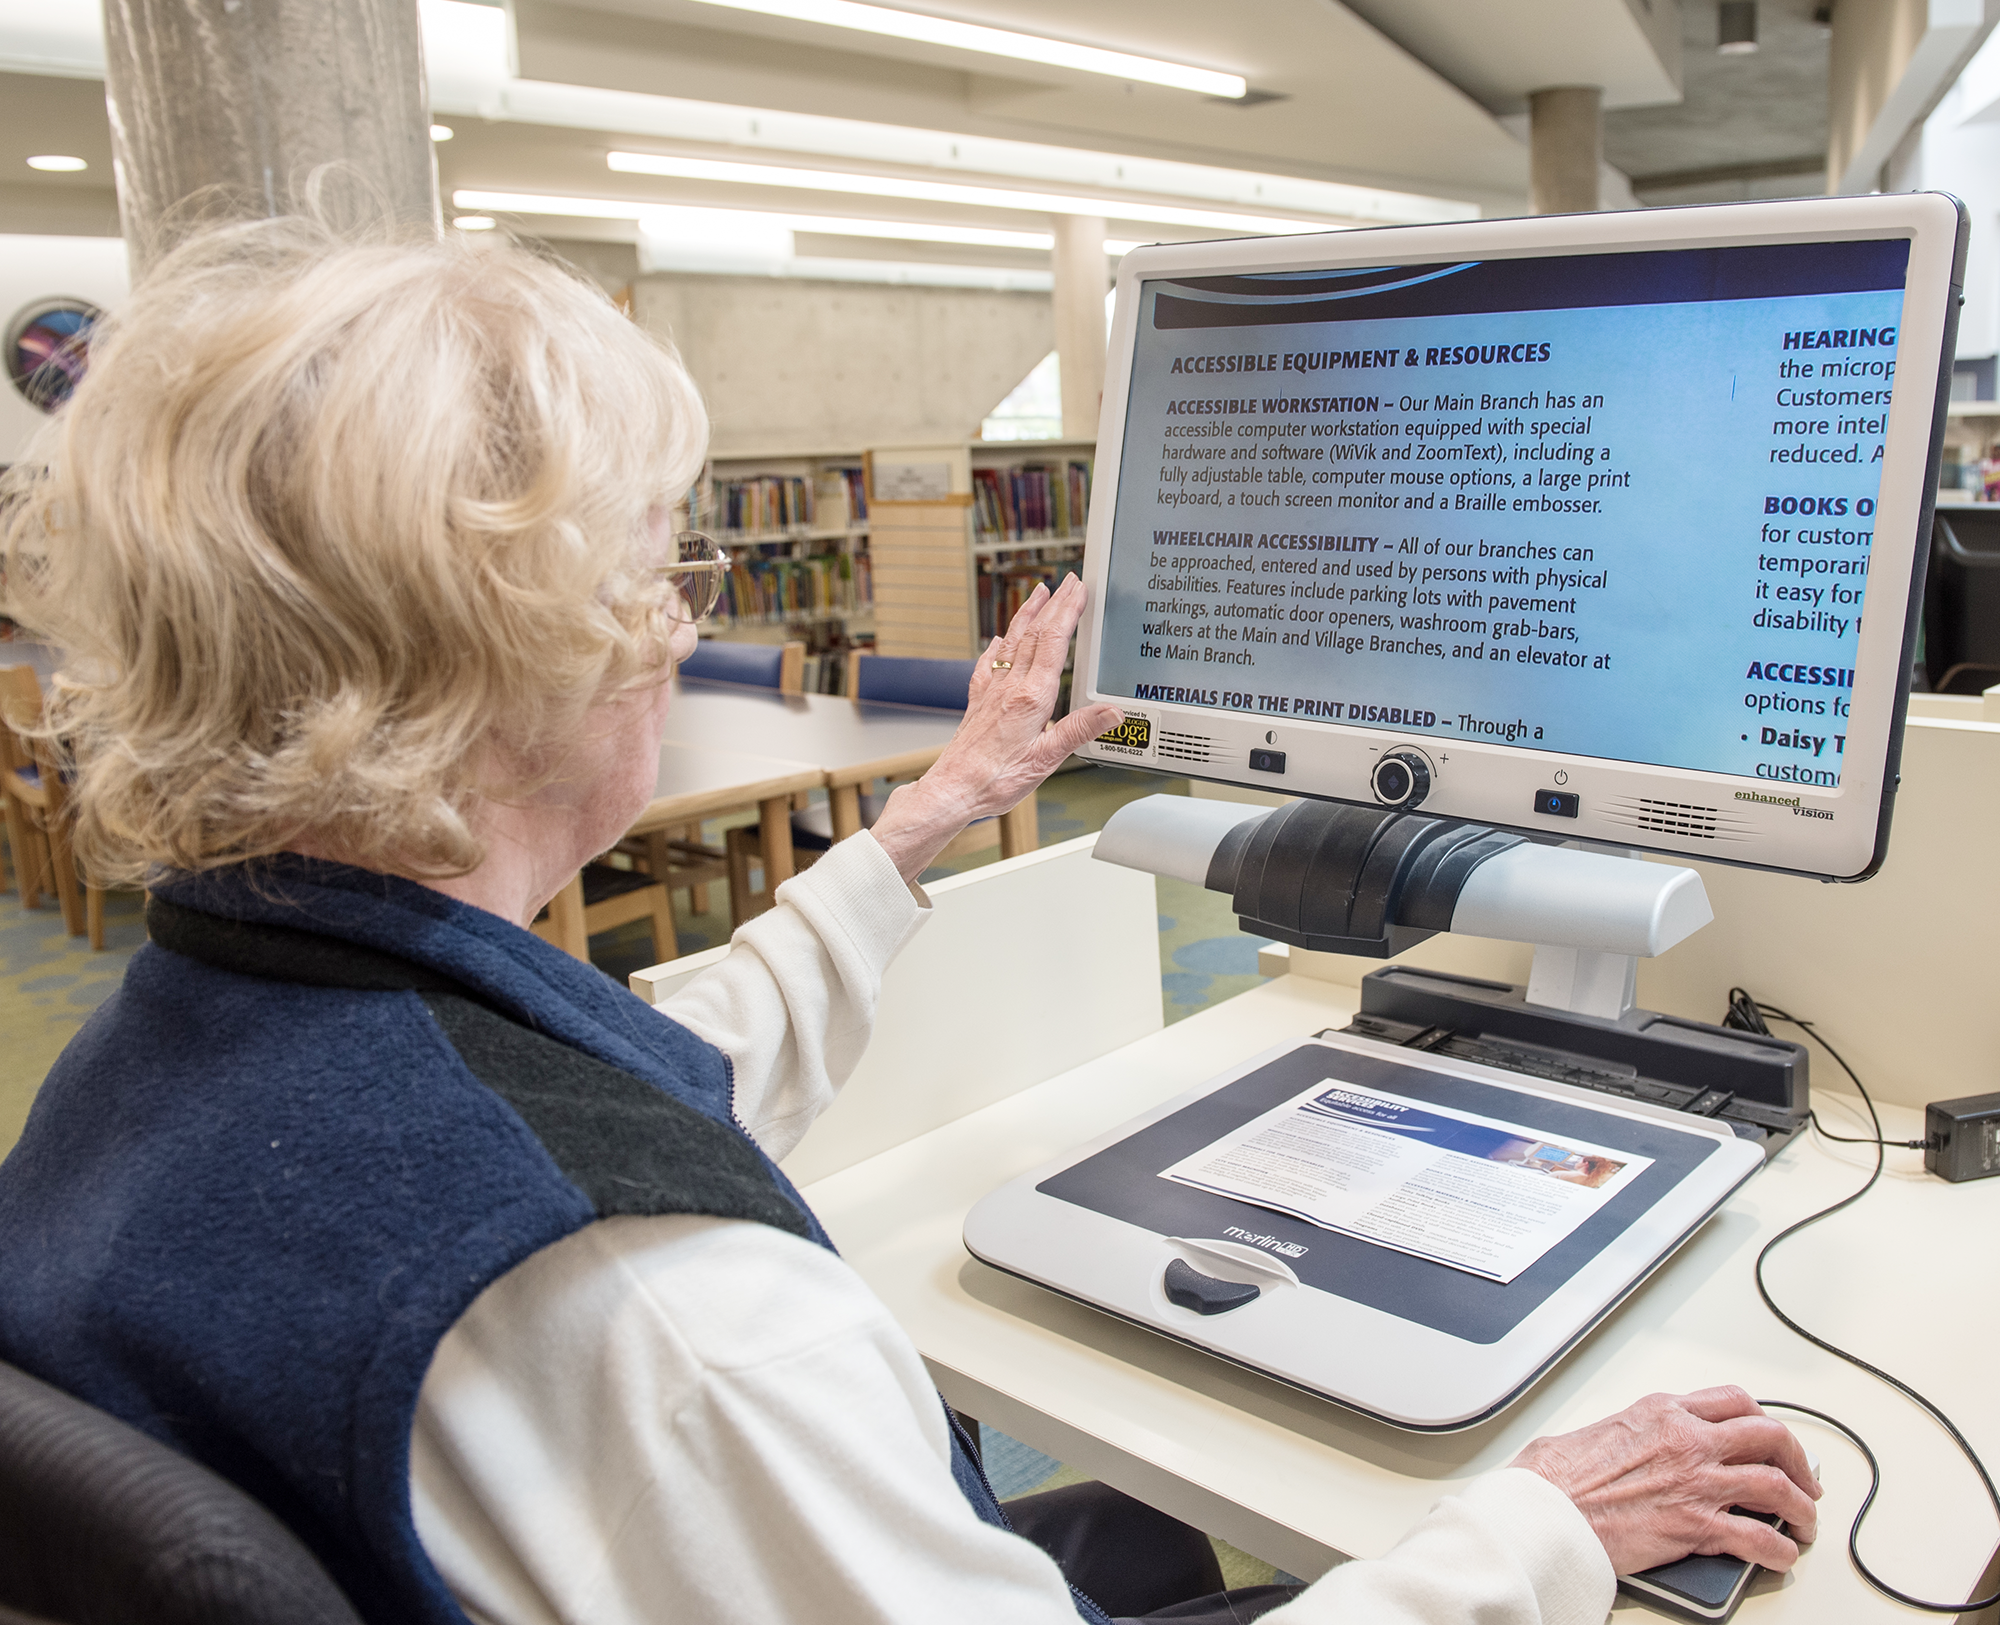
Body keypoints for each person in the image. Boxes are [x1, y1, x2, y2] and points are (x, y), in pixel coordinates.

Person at [0, 220, 1820, 1625]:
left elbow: (618, 1076)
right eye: (658, 563)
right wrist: (1535, 1533)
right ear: (519, 642)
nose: (670, 620)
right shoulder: (684, 1331)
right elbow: (598, 1198)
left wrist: (925, 823)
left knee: (1138, 1519)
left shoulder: (187, 1039)